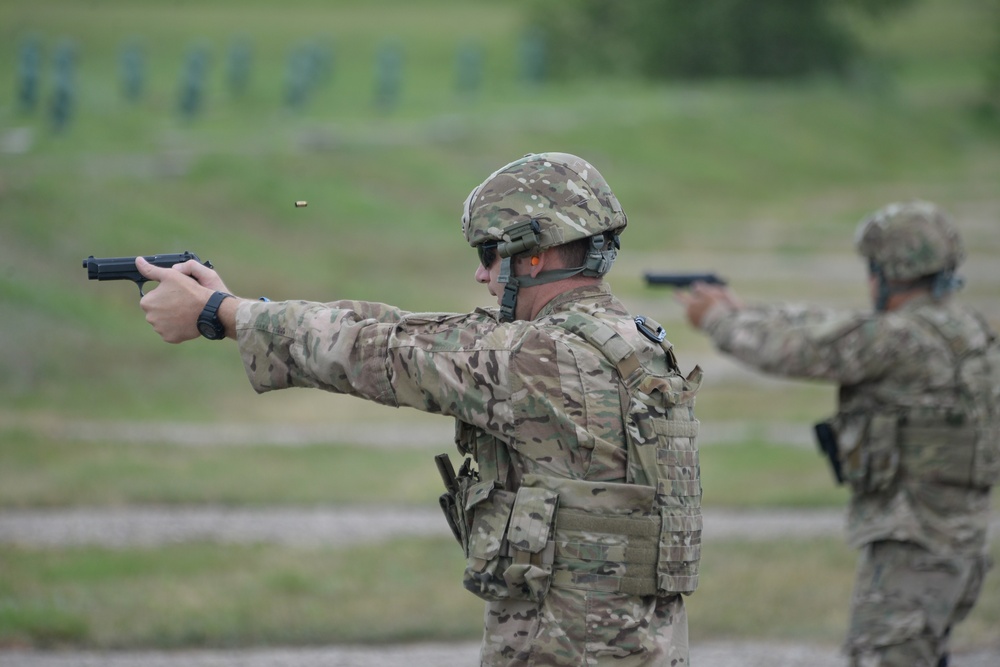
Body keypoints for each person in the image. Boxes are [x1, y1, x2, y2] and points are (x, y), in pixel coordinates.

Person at [137, 152, 705, 667]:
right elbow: (403, 329)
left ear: (534, 257)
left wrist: (222, 315)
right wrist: (239, 307)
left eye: (489, 254)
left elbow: (380, 353)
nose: (481, 274)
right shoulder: (631, 343)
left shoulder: (540, 358)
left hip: (568, 649)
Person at [678, 200, 999, 667]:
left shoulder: (900, 340)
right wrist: (750, 310)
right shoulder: (966, 332)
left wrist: (716, 319)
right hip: (957, 546)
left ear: (887, 272)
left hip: (913, 549)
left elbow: (794, 350)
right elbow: (832, 329)